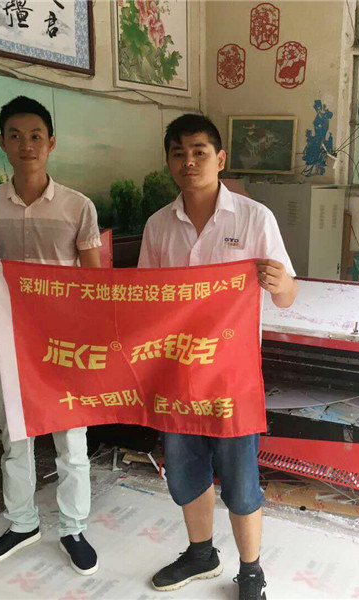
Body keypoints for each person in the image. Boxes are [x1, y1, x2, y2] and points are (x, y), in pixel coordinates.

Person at [138, 114, 298, 600]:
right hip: (176, 372)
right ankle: (200, 554)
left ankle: (251, 571)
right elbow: (146, 300)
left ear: (220, 158)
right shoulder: (158, 226)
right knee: (185, 473)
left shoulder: (254, 218)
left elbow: (288, 296)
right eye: (179, 153)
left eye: (199, 152)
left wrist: (280, 283)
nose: (189, 162)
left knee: (241, 481)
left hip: (231, 377)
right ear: (168, 161)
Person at [0, 96, 101, 576]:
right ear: (2, 142)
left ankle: (74, 528)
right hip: (8, 339)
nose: (27, 145)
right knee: (14, 437)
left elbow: (95, 281)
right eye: (16, 136)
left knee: (72, 439)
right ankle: (21, 524)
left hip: (65, 343)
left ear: (51, 143)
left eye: (36, 136)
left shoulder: (77, 206)